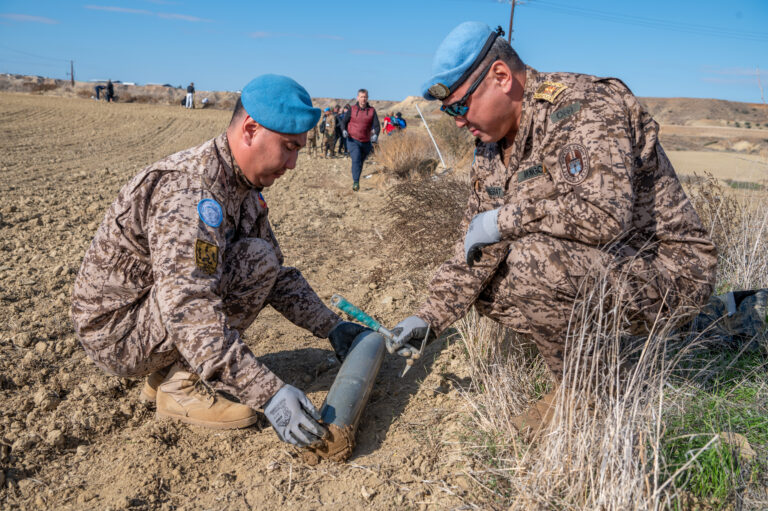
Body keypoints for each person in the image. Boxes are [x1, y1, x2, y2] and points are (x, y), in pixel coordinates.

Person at [389, 22, 716, 437]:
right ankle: (592, 371)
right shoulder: (490, 147)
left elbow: (603, 214)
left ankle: (584, 397)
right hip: (610, 268)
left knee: (530, 260)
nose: (456, 122)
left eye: (458, 107)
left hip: (669, 270)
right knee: (488, 282)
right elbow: (476, 244)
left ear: (501, 78)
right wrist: (429, 317)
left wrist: (503, 220)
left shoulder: (586, 107)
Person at [71, 74, 369, 447]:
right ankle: (181, 385)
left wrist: (332, 327)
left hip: (148, 317)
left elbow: (272, 274)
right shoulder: (190, 192)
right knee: (248, 263)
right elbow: (188, 304)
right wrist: (268, 394)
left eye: (298, 151)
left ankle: (165, 373)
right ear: (250, 129)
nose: (292, 164)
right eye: (288, 147)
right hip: (119, 333)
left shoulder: (243, 187)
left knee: (259, 261)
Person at [340, 89, 380, 191]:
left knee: (361, 162)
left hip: (366, 142)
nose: (363, 99)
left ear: (367, 98)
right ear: (358, 98)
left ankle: (356, 175)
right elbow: (343, 122)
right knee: (356, 159)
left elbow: (377, 126)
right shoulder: (352, 109)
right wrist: (344, 130)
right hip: (353, 140)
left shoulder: (371, 111)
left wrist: (375, 135)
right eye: (361, 97)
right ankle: (356, 182)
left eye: (365, 97)